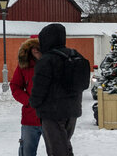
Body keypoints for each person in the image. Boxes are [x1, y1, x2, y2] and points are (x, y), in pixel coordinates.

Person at [29, 23, 83, 156]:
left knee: (57, 150)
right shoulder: (75, 56)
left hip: (52, 113)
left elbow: (39, 88)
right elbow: (82, 85)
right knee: (65, 145)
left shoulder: (46, 60)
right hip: (72, 112)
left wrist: (34, 104)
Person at [10, 37, 42, 156]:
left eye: (38, 47)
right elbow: (15, 86)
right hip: (30, 118)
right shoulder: (24, 66)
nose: (35, 50)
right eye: (32, 47)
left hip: (50, 118)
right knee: (27, 152)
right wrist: (28, 101)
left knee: (56, 151)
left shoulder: (51, 63)